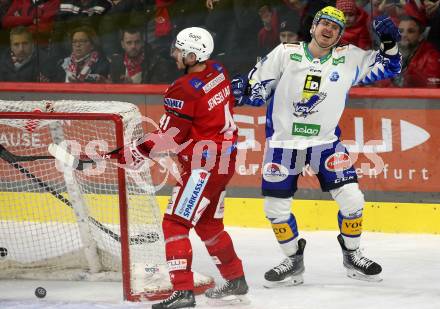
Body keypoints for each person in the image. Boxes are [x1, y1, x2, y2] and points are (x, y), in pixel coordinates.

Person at [231, 6, 401, 287]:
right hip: (284, 144)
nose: (329, 30)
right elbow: (258, 90)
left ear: (340, 34)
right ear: (312, 27)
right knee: (275, 208)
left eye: (335, 27)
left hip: (326, 143)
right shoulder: (285, 52)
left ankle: (353, 255)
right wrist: (245, 92)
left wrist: (390, 42)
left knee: (352, 198)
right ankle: (293, 260)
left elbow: (391, 66)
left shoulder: (350, 58)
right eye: (324, 23)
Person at [126, 27, 249, 309]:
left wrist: (135, 151)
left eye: (179, 50)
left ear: (193, 55)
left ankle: (182, 291)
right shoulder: (218, 69)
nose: (174, 54)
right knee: (208, 224)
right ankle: (236, 279)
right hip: (224, 161)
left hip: (201, 167)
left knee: (174, 223)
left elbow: (170, 136)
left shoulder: (182, 89)